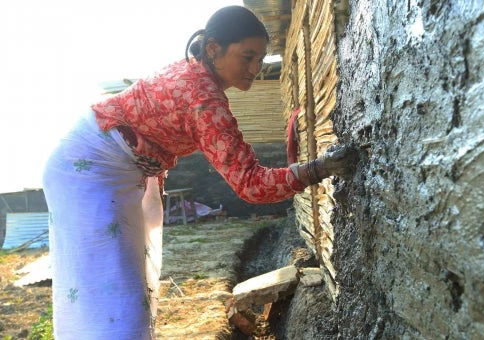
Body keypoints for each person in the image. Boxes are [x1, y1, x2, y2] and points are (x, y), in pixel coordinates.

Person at [42, 5, 357, 339]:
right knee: (111, 289)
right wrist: (318, 168)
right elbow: (250, 184)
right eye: (247, 57)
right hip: (89, 170)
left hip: (103, 163)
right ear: (212, 49)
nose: (255, 68)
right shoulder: (203, 98)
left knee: (117, 286)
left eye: (260, 58)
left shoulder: (197, 75)